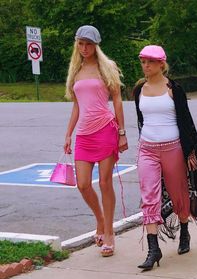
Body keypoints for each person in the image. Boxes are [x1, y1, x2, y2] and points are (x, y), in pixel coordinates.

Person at [133, 45, 197, 271]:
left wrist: (190, 152)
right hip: (147, 149)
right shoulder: (139, 90)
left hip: (172, 148)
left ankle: (184, 230)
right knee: (149, 196)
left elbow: (186, 122)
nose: (146, 66)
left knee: (179, 194)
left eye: (150, 62)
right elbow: (141, 121)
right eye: (143, 61)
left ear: (161, 64)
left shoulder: (174, 89)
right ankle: (153, 248)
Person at [64, 25, 128, 257]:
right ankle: (100, 219)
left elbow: (118, 100)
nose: (84, 48)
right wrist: (69, 134)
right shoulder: (76, 69)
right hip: (84, 134)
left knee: (104, 182)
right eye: (81, 43)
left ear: (96, 45)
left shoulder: (106, 67)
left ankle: (109, 233)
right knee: (82, 184)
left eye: (89, 44)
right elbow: (77, 105)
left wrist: (122, 132)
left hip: (105, 130)